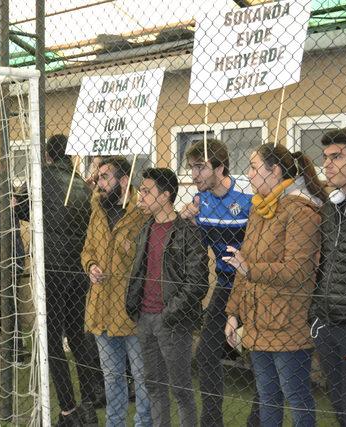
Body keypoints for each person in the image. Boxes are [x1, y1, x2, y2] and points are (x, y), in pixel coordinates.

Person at [223, 143, 325, 427]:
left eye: (254, 167)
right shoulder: (260, 209)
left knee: (296, 396)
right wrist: (234, 313)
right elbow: (243, 265)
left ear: (275, 171)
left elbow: (298, 271)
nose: (249, 173)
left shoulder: (302, 211)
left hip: (288, 323)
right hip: (258, 320)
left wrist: (249, 268)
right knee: (267, 397)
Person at [14, 134, 103, 426]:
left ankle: (68, 409)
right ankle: (90, 400)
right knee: (78, 337)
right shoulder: (81, 184)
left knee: (52, 342)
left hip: (51, 269)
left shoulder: (43, 177)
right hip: (78, 270)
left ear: (49, 156)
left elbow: (20, 210)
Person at [179, 139, 256, 427]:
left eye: (200, 167)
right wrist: (185, 221)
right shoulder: (201, 202)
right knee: (207, 355)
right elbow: (193, 246)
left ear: (220, 167)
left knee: (262, 357)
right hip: (225, 284)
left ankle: (258, 421)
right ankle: (212, 423)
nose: (194, 175)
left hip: (255, 283)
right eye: (191, 168)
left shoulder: (248, 194)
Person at [126, 168, 209, 427]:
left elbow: (198, 283)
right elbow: (140, 272)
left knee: (181, 390)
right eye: (141, 190)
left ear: (165, 196)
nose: (141, 196)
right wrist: (136, 308)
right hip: (145, 318)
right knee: (154, 387)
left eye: (147, 191)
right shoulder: (145, 229)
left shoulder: (187, 232)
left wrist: (169, 313)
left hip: (172, 321)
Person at [81, 156, 152, 427]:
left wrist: (126, 252)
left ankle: (143, 423)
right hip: (101, 306)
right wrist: (92, 265)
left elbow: (150, 259)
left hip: (132, 308)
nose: (98, 183)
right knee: (111, 376)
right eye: (99, 177)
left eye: (105, 177)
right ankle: (115, 423)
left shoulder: (142, 212)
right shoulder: (97, 208)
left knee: (142, 376)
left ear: (123, 180)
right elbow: (87, 249)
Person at [310, 128, 346, 427]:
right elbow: (326, 262)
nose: (328, 165)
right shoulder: (332, 206)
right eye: (325, 158)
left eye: (337, 157)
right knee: (340, 405)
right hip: (327, 318)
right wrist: (316, 311)